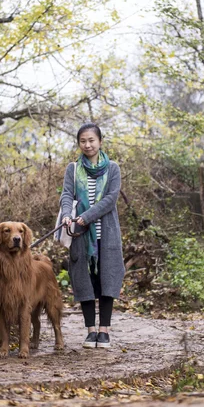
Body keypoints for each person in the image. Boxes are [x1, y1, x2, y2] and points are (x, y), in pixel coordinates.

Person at [60, 123, 124, 349]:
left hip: (105, 235)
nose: (87, 145)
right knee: (84, 281)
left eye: (91, 140)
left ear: (100, 141)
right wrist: (67, 215)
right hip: (80, 236)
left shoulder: (113, 168)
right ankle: (90, 331)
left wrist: (85, 217)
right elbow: (67, 194)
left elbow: (110, 200)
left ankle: (104, 331)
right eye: (83, 141)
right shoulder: (73, 168)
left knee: (107, 279)